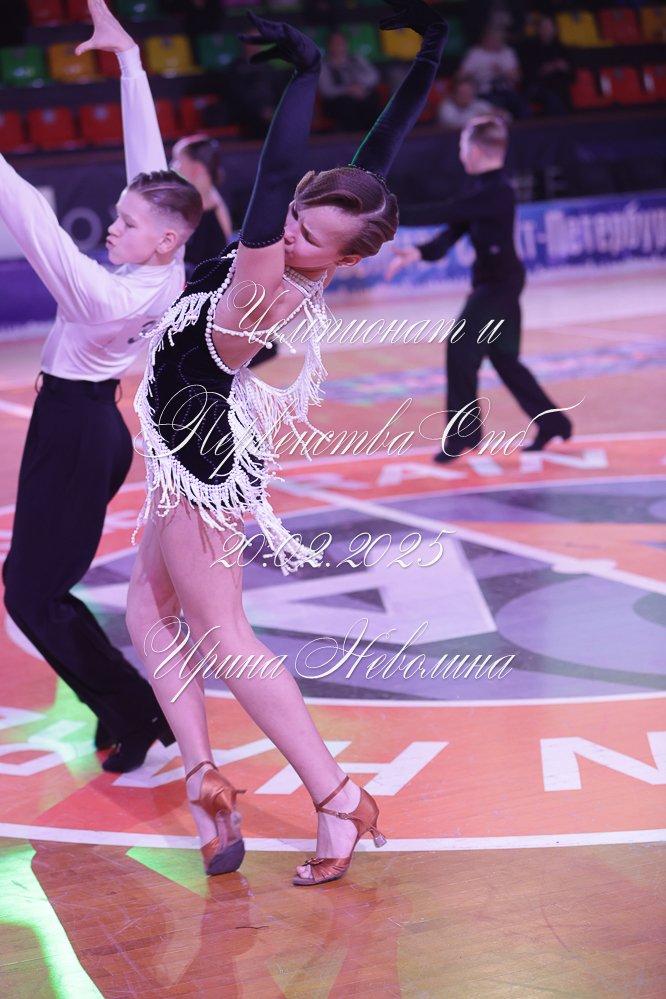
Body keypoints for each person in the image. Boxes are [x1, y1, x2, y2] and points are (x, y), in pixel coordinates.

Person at [126, 0, 450, 885]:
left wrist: (306, 76)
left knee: (225, 633)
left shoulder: (267, 274)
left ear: (341, 261)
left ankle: (338, 795)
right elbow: (369, 164)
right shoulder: (324, 227)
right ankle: (205, 782)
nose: (292, 226)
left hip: (200, 455)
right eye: (299, 215)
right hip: (192, 439)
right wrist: (428, 60)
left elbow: (274, 183)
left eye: (309, 234)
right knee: (148, 609)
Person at [0, 0, 203, 773]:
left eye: (126, 222)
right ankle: (128, 706)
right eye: (118, 215)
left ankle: (134, 709)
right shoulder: (165, 263)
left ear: (164, 238)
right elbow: (149, 169)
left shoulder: (111, 296)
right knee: (35, 586)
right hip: (82, 424)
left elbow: (31, 219)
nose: (112, 225)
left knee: (31, 594)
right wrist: (130, 61)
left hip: (78, 434)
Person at [385, 113, 572, 460]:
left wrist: (384, 211)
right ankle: (554, 423)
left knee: (460, 348)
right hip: (496, 284)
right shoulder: (481, 190)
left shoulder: (497, 192)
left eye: (461, 147)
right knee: (505, 360)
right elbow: (454, 229)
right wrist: (419, 252)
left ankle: (463, 435)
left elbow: (444, 212)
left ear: (474, 151)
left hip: (498, 288)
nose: (460, 155)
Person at [170, 134, 233, 273]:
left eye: (177, 161)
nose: (172, 167)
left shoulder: (213, 211)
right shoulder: (199, 203)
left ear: (196, 168)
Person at [319, 30, 381, 132]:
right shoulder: (324, 66)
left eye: (341, 42)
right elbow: (327, 90)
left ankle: (375, 135)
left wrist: (361, 86)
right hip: (339, 101)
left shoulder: (357, 59)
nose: (339, 46)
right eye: (335, 43)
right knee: (346, 106)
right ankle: (355, 137)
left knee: (373, 101)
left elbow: (374, 75)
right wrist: (348, 90)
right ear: (329, 45)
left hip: (361, 93)